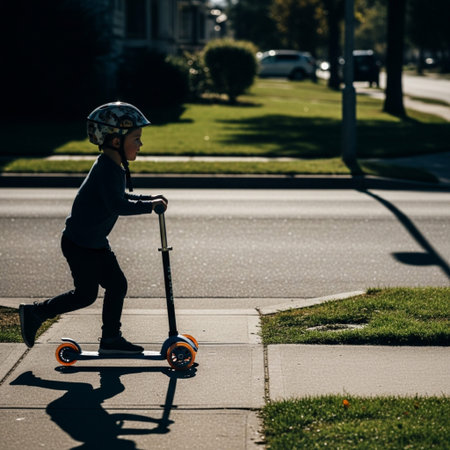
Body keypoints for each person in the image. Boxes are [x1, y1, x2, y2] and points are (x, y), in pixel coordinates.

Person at [19, 101, 168, 354]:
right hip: (81, 244)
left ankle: (110, 338)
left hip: (93, 242)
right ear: (116, 142)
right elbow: (116, 205)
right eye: (136, 138)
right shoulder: (107, 170)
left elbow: (120, 199)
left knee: (116, 285)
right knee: (86, 295)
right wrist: (148, 206)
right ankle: (36, 312)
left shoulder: (110, 166)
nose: (140, 144)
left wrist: (149, 200)